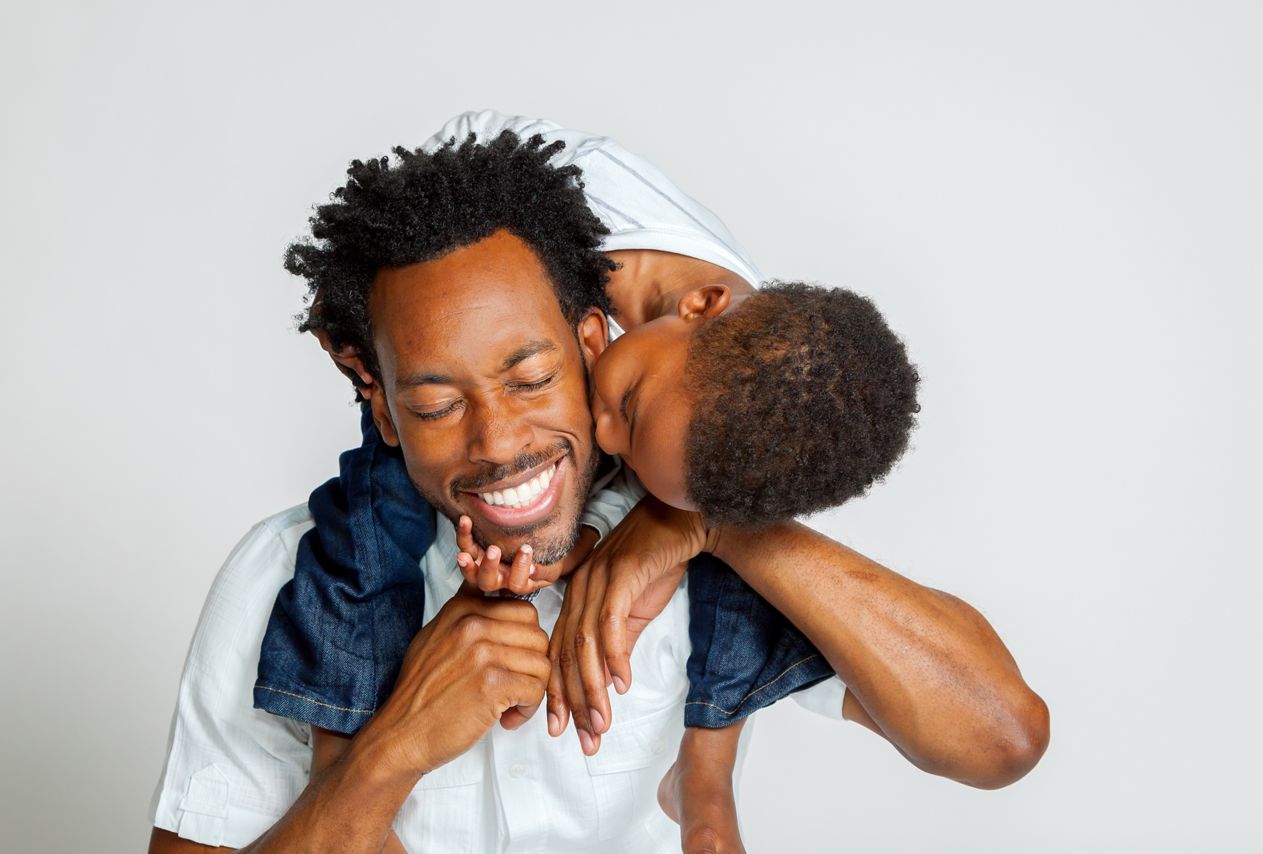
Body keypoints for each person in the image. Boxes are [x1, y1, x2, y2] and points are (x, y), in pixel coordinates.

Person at [149, 122, 1048, 853]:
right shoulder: (292, 578)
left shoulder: (693, 479)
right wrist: (389, 751)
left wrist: (701, 530)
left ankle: (704, 782)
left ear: (590, 341)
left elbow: (998, 737)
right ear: (377, 402)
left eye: (533, 379)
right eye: (433, 402)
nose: (499, 441)